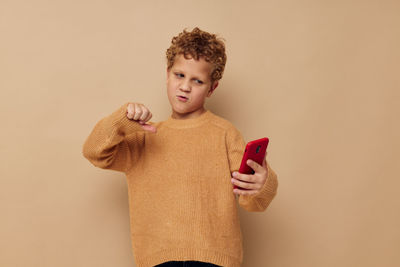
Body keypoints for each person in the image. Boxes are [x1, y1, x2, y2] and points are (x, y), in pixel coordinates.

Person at [82, 27, 278, 267]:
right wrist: (121, 119)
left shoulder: (225, 133)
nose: (185, 87)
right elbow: (94, 151)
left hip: (214, 259)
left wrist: (262, 184)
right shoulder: (145, 137)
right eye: (179, 75)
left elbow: (254, 200)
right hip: (158, 259)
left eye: (197, 81)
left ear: (212, 88)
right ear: (167, 74)